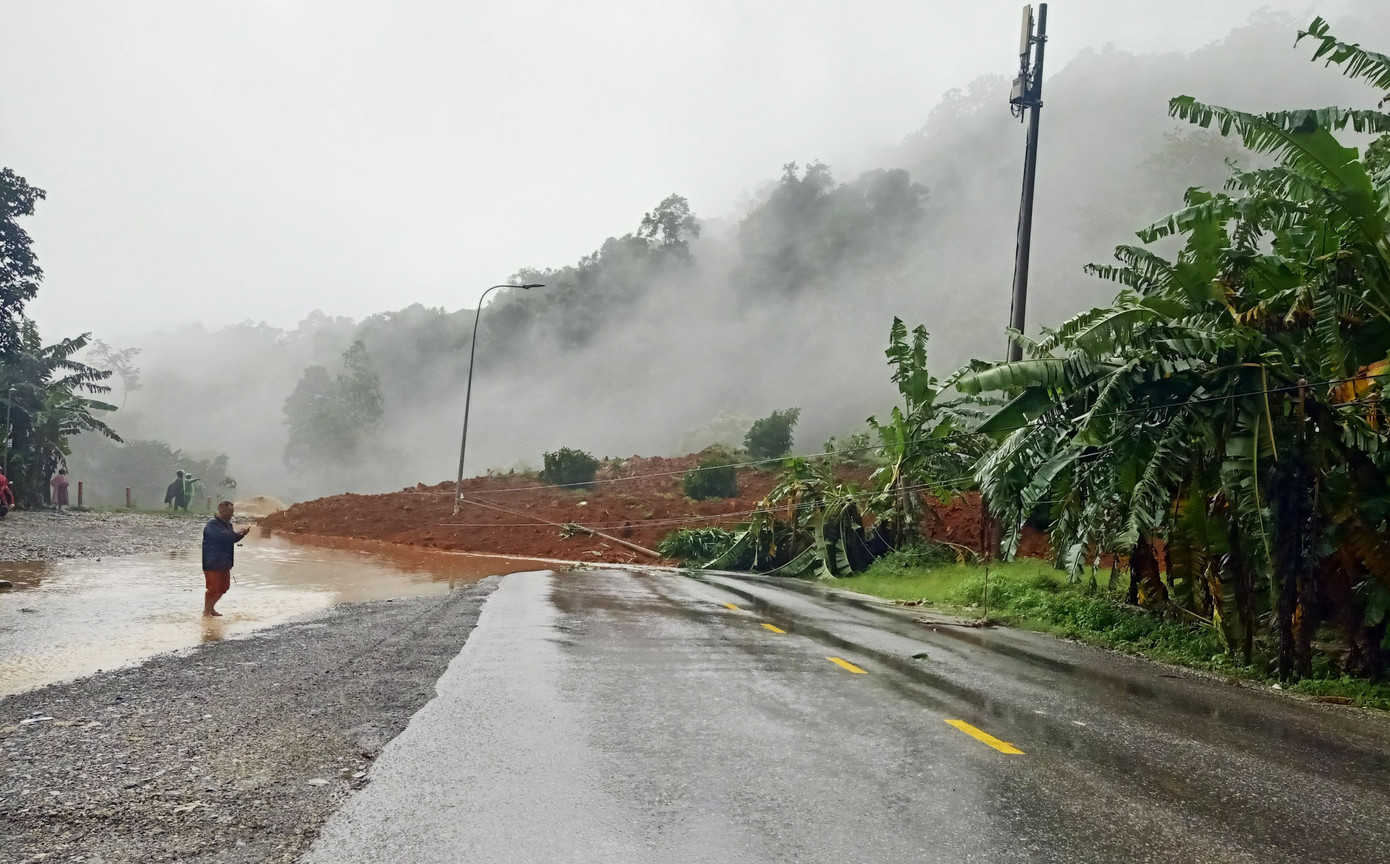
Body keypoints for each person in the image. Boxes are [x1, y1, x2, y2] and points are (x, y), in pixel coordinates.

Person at [202, 500, 250, 617]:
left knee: (224, 588)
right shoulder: (212, 525)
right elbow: (223, 537)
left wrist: (241, 535)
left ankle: (210, 609)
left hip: (225, 562)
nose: (232, 515)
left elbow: (231, 539)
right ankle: (207, 611)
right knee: (213, 589)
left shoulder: (228, 525)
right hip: (212, 562)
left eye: (232, 512)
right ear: (222, 511)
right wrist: (238, 532)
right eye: (230, 512)